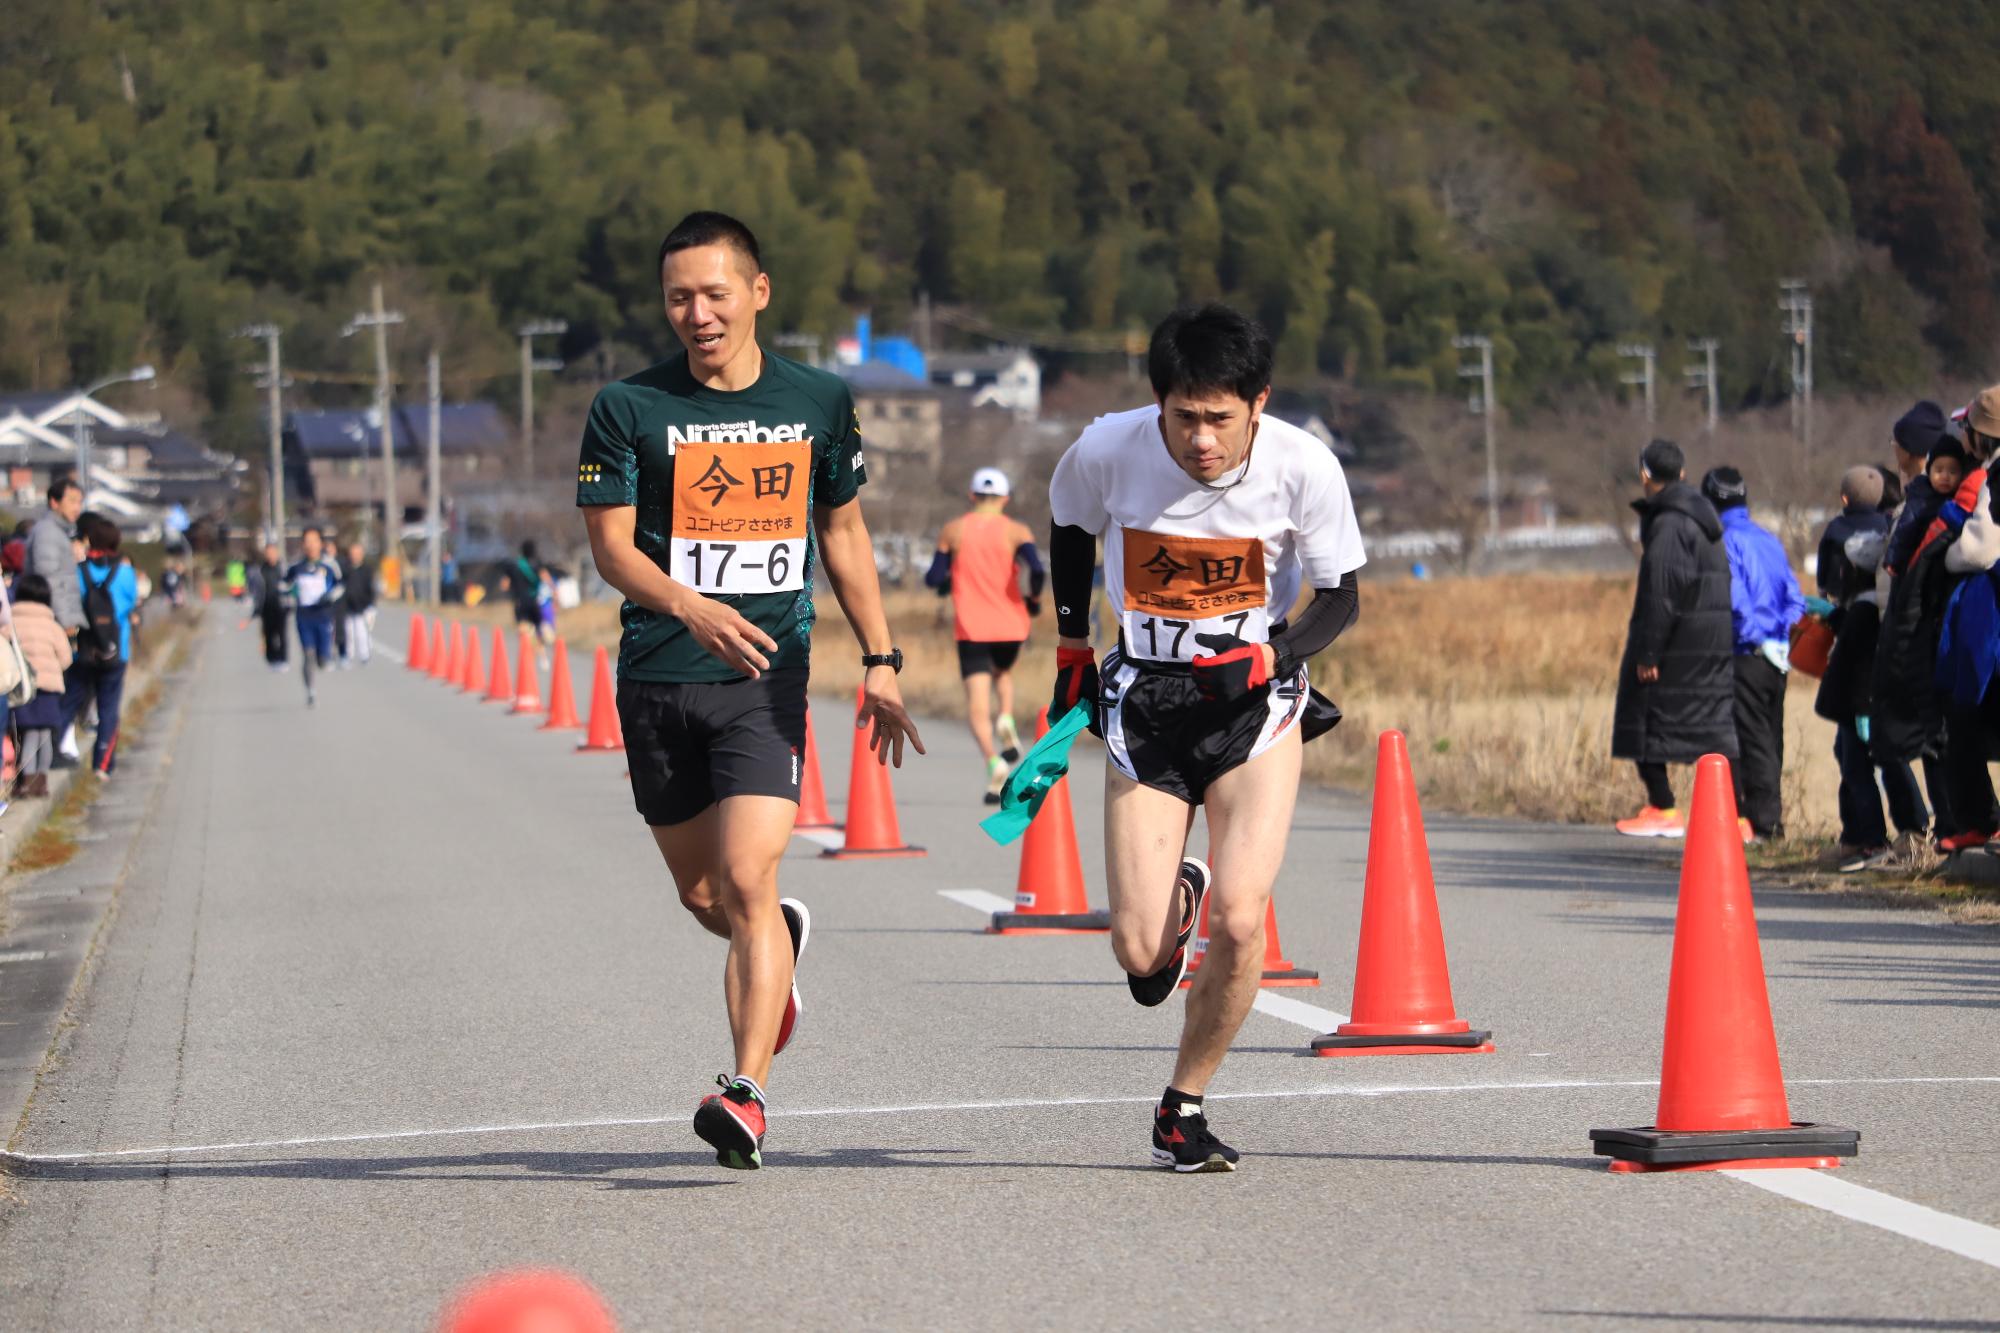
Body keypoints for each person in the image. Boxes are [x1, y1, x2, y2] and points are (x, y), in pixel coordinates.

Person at [576, 209, 923, 1171]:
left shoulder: (819, 400)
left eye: (715, 293)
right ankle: (777, 946)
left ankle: (746, 1093)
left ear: (758, 293)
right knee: (702, 894)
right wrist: (688, 606)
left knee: (746, 876)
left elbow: (843, 535)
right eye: (679, 297)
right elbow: (609, 549)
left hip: (766, 680)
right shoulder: (626, 406)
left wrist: (881, 658)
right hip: (656, 676)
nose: (697, 313)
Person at [1048, 304, 1362, 1172]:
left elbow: (1341, 594)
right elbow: (1071, 527)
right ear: (1158, 403)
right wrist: (1074, 642)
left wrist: (1272, 655)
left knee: (1243, 914)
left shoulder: (1304, 464)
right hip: (1144, 700)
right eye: (1183, 417)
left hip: (1254, 712)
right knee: (1140, 954)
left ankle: (1183, 1104)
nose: (1202, 440)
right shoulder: (1109, 448)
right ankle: (1175, 895)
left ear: (1258, 402)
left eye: (1221, 418)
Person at [1612, 440, 1738, 836]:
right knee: (1712, 729)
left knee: (1644, 716)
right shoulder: (1705, 521)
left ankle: (1663, 807)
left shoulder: (1669, 524)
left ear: (1645, 475)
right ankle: (1733, 816)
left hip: (1677, 644)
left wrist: (1649, 652)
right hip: (1708, 643)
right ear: (1682, 473)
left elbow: (1660, 594)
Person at [926, 466, 1044, 801]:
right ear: (1005, 498)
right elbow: (1037, 569)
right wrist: (1033, 599)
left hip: (971, 626)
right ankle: (1006, 716)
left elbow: (934, 577)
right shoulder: (1017, 531)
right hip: (1011, 624)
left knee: (977, 704)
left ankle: (993, 761)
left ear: (971, 496)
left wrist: (948, 582)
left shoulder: (954, 530)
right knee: (1003, 672)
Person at [1700, 467, 1804, 841]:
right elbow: (1795, 597)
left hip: (1744, 652)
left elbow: (1734, 602)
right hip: (1777, 655)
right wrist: (1780, 635)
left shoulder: (1722, 541)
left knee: (1750, 739)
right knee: (1770, 737)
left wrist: (1750, 637)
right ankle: (1761, 820)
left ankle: (1763, 825)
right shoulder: (1768, 540)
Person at [1815, 528, 1928, 869]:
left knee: (1861, 769)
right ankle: (1880, 834)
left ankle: (1874, 837)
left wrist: (1863, 709)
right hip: (1859, 707)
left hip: (1861, 708)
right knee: (1863, 765)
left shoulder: (1866, 610)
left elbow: (1863, 665)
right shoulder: (1865, 607)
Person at [68, 515, 137, 777]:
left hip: (85, 648)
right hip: (116, 647)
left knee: (73, 698)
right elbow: (130, 604)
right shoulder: (125, 572)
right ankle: (102, 763)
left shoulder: (80, 571)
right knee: (108, 707)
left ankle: (60, 746)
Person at [9, 573, 71, 798]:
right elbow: (66, 658)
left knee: (27, 735)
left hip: (23, 689)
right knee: (44, 736)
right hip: (49, 688)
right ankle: (41, 783)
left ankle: (24, 781)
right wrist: (53, 669)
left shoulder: (11, 622)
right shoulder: (51, 624)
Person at [283, 527, 344, 707]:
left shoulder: (329, 565)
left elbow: (340, 586)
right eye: (307, 541)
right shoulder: (296, 566)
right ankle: (310, 691)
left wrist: (329, 596)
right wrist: (289, 595)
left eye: (314, 540)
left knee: (322, 660)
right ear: (303, 544)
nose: (310, 545)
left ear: (320, 543)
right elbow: (283, 585)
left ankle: (327, 654)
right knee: (307, 654)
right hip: (304, 616)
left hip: (324, 615)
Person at [27, 478, 85, 641]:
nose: (77, 508)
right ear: (54, 502)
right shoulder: (48, 533)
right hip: (50, 622)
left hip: (53, 620)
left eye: (80, 502)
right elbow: (49, 579)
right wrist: (65, 620)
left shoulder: (58, 532)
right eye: (72, 501)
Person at [503, 541, 551, 653]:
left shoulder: (515, 565)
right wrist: (554, 592)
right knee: (538, 625)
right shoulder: (537, 564)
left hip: (520, 602)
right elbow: (546, 578)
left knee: (523, 628)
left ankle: (528, 646)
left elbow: (504, 585)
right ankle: (541, 642)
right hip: (533, 601)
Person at [248, 543, 288, 669]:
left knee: (281, 634)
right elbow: (255, 589)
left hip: (281, 606)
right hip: (266, 606)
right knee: (269, 633)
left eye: (273, 552)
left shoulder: (283, 569)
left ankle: (283, 659)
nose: (270, 555)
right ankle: (271, 659)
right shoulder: (260, 570)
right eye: (268, 552)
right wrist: (256, 607)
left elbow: (292, 587)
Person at [341, 541, 377, 666]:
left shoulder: (367, 570)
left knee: (362, 632)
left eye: (357, 553)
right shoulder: (345, 569)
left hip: (363, 606)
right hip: (347, 606)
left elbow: (371, 589)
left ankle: (364, 655)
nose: (355, 556)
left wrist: (371, 605)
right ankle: (347, 655)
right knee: (348, 633)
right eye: (353, 553)